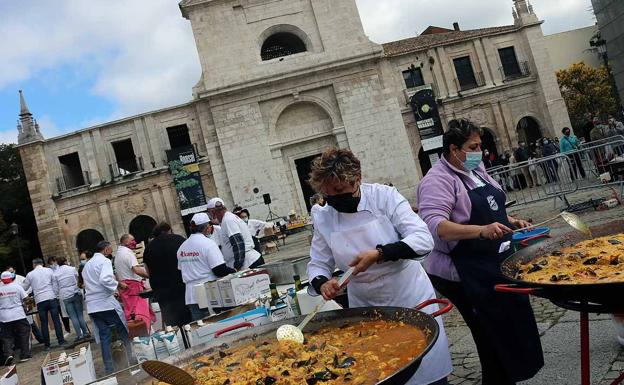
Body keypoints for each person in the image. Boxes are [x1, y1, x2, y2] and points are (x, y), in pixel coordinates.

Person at [306, 148, 452, 385]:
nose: (334, 199)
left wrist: (380, 253)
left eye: (340, 191)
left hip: (408, 297)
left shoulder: (385, 197)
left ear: (357, 179)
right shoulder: (324, 216)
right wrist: (324, 283)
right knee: (378, 370)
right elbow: (317, 264)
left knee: (423, 369)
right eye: (328, 194)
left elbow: (423, 239)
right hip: (365, 305)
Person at [417, 119, 543, 385]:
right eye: (473, 146)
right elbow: (436, 226)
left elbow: (493, 204)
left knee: (510, 323)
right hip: (463, 269)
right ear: (454, 149)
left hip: (495, 260)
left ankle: (511, 375)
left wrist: (510, 220)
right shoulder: (436, 180)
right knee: (489, 332)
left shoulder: (476, 169)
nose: (480, 152)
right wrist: (480, 230)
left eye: (480, 145)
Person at [83, 241, 134, 375]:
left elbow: (92, 284)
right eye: (110, 251)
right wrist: (119, 285)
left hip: (93, 306)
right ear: (105, 250)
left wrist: (112, 290)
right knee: (123, 332)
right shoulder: (104, 261)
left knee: (105, 336)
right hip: (105, 304)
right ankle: (132, 362)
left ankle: (109, 369)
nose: (110, 254)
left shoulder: (87, 265)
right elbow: (105, 279)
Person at [177, 213, 236, 320]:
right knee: (216, 324)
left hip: (191, 296)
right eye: (209, 225)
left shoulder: (182, 247)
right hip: (209, 293)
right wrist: (234, 271)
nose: (210, 227)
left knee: (200, 328)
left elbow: (181, 270)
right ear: (206, 228)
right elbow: (219, 270)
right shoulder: (208, 244)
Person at [143, 222, 191, 328]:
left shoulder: (148, 249)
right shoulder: (179, 240)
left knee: (172, 323)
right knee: (189, 321)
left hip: (162, 291)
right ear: (168, 230)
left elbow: (148, 271)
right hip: (181, 285)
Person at [207, 198, 264, 270]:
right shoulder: (229, 218)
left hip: (247, 263)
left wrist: (237, 266)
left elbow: (238, 243)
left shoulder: (228, 220)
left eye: (210, 213)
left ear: (213, 212)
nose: (211, 216)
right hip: (248, 261)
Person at [22, 258, 67, 350]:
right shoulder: (49, 270)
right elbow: (55, 284)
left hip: (40, 299)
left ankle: (47, 345)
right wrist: (54, 293)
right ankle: (61, 340)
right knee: (56, 321)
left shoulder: (30, 274)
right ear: (42, 264)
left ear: (34, 264)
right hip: (51, 297)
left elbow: (24, 287)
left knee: (44, 323)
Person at [114, 234, 154, 330]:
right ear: (126, 241)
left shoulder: (118, 254)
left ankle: (141, 334)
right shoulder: (128, 253)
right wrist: (151, 276)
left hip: (125, 286)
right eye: (132, 240)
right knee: (139, 312)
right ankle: (144, 333)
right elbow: (136, 270)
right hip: (133, 286)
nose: (135, 242)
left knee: (131, 312)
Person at [54, 257, 91, 343]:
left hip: (65, 295)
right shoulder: (72, 269)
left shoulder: (55, 274)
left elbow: (56, 288)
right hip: (75, 292)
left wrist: (58, 296)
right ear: (65, 261)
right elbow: (78, 279)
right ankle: (85, 332)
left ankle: (79, 335)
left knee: (73, 316)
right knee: (80, 315)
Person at [6, 266, 44, 344]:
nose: (11, 274)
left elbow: (29, 287)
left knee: (30, 322)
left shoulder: (20, 278)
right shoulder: (4, 283)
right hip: (14, 307)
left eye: (12, 272)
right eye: (9, 272)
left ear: (14, 271)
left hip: (23, 303)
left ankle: (40, 338)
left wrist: (25, 294)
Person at [0, 271, 31, 365]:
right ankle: (25, 354)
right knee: (24, 333)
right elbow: (27, 299)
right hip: (18, 314)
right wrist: (27, 308)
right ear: (12, 278)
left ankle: (9, 354)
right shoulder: (17, 287)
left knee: (7, 336)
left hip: (4, 316)